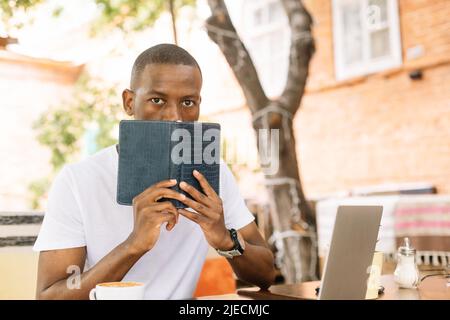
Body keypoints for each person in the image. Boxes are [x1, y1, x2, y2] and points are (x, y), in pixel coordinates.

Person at [33, 43, 276, 299]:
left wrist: (225, 239)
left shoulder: (211, 175)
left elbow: (266, 275)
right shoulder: (78, 180)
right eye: (157, 100)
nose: (175, 116)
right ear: (129, 102)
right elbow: (50, 296)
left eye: (188, 102)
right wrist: (133, 246)